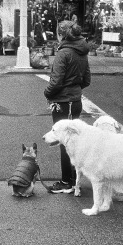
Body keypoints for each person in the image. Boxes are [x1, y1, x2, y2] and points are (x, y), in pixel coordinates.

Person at [44, 21, 91, 193]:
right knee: (73, 142)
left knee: (65, 142)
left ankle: (67, 182)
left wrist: (47, 93)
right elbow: (86, 80)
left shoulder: (63, 53)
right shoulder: (82, 53)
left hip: (62, 102)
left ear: (61, 35)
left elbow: (55, 82)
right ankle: (73, 180)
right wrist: (74, 89)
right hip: (76, 102)